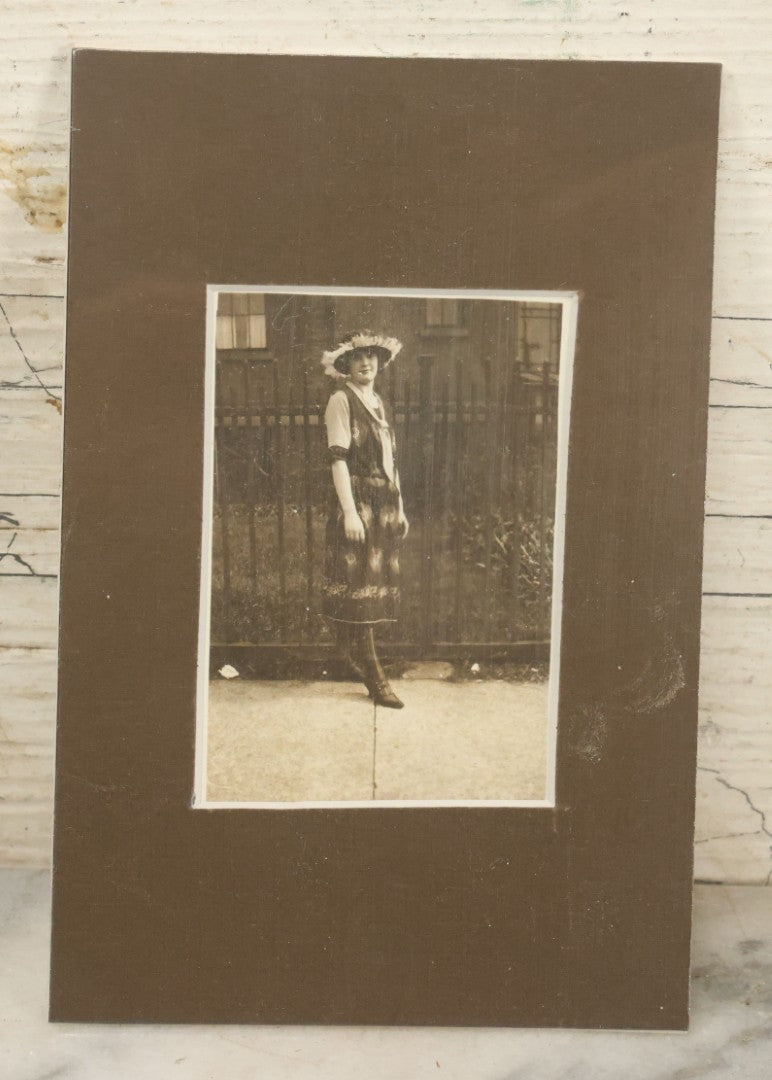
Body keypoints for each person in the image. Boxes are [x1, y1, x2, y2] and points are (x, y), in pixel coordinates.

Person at [321, 331, 409, 709]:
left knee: (372, 588)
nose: (365, 362)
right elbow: (338, 459)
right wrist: (350, 512)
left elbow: (391, 462)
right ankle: (376, 678)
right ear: (345, 365)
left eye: (371, 355)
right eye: (357, 357)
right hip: (358, 503)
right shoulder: (341, 400)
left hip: (384, 503)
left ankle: (359, 661)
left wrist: (400, 507)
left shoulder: (377, 402)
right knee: (357, 589)